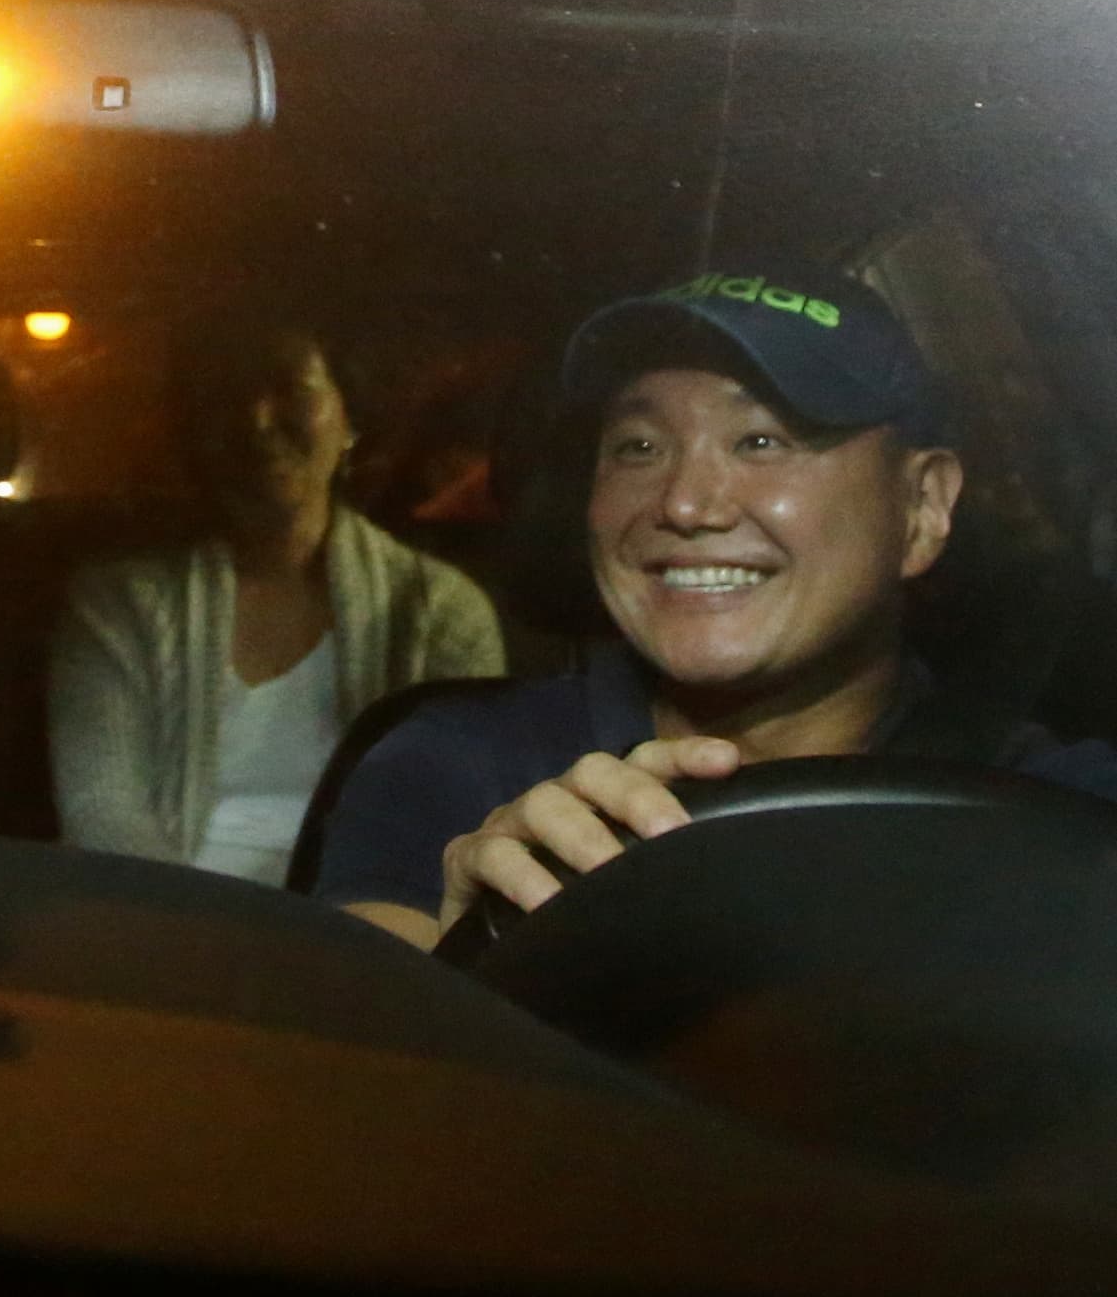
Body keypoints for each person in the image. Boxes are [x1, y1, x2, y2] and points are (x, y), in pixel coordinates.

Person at [315, 263, 1117, 948]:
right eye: (638, 447)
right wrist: (468, 952)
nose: (686, 505)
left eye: (762, 440)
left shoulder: (1059, 817)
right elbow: (350, 1082)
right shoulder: (455, 764)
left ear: (921, 508)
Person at [48, 320, 505, 886]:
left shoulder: (438, 611)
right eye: (225, 397)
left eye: (290, 389)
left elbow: (449, 817)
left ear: (351, 419)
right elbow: (102, 813)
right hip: (160, 929)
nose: (257, 421)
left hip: (361, 938)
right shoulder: (118, 609)